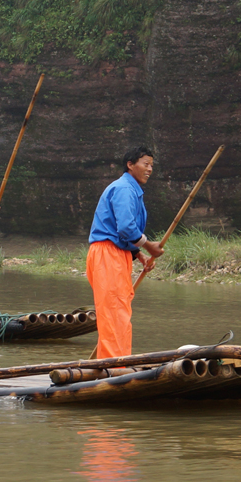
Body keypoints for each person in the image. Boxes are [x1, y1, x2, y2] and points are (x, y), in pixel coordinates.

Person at [87, 146, 164, 359]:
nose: (150, 169)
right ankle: (114, 368)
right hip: (107, 254)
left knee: (119, 312)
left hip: (116, 254)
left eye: (151, 166)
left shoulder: (131, 190)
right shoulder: (124, 189)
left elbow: (124, 233)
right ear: (131, 165)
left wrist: (139, 255)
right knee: (114, 313)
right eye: (145, 164)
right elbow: (126, 228)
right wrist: (149, 246)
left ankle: (114, 363)